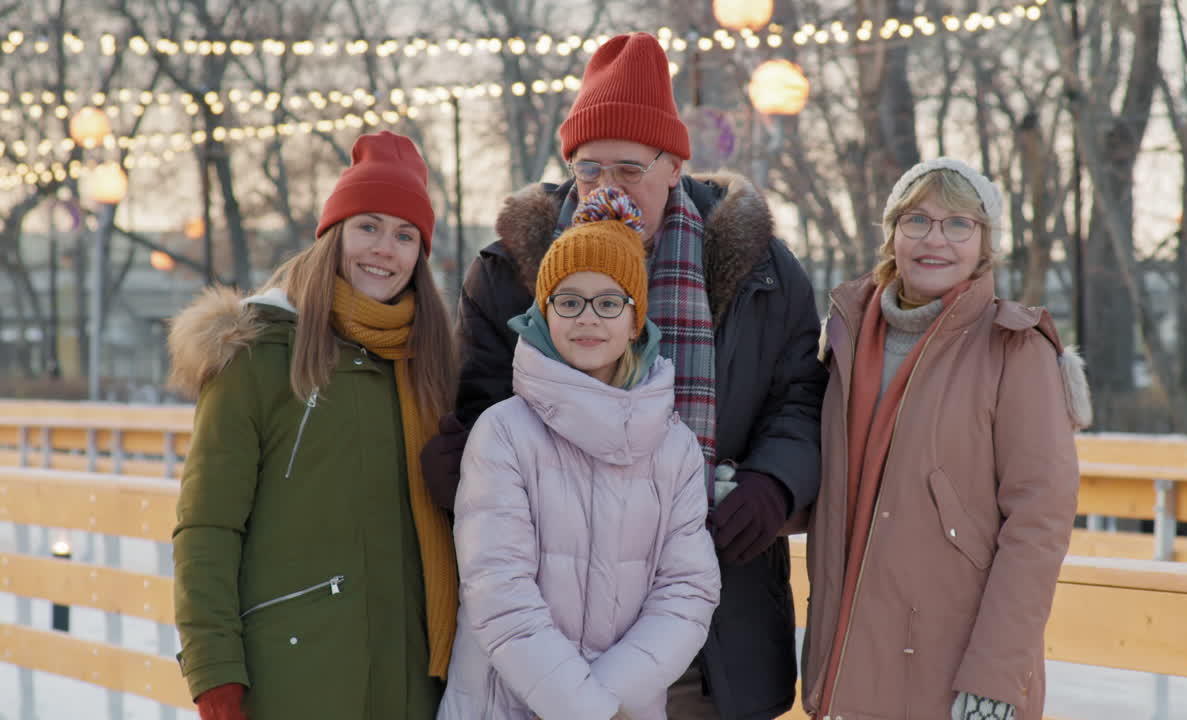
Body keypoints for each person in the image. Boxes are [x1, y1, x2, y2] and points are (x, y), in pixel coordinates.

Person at [421, 31, 827, 718]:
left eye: (630, 169)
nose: (608, 189)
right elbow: (483, 404)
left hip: (713, 619)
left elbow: (801, 398)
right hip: (549, 630)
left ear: (674, 166)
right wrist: (465, 470)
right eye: (589, 169)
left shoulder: (761, 268)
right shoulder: (509, 270)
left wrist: (774, 483)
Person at [167, 130, 458, 720]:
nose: (385, 249)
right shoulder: (260, 356)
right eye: (369, 227)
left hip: (414, 683)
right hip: (293, 677)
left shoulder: (431, 367)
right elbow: (208, 526)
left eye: (405, 235)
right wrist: (214, 671)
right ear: (334, 235)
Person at [800, 157, 1092, 720]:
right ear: (892, 234)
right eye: (916, 221)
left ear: (984, 242)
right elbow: (827, 485)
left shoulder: (1014, 349)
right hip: (849, 661)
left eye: (958, 224)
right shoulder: (845, 336)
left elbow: (1039, 523)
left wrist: (995, 679)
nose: (935, 239)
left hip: (954, 674)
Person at [438, 186, 721, 719]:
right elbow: (499, 593)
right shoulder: (504, 433)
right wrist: (587, 708)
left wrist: (609, 698)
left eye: (608, 302)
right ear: (545, 314)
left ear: (635, 321)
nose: (587, 318)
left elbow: (687, 591)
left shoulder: (674, 446)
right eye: (569, 301)